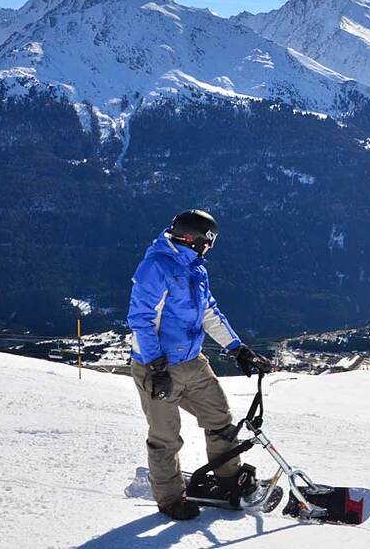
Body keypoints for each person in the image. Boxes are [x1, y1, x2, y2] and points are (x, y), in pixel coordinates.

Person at [128, 209, 271, 520]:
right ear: (193, 239)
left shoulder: (195, 269)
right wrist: (156, 367)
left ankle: (227, 477)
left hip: (193, 361)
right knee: (166, 436)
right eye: (209, 241)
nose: (211, 247)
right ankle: (169, 499)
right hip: (159, 366)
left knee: (219, 417)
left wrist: (238, 349)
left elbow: (209, 313)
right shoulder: (156, 267)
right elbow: (141, 320)